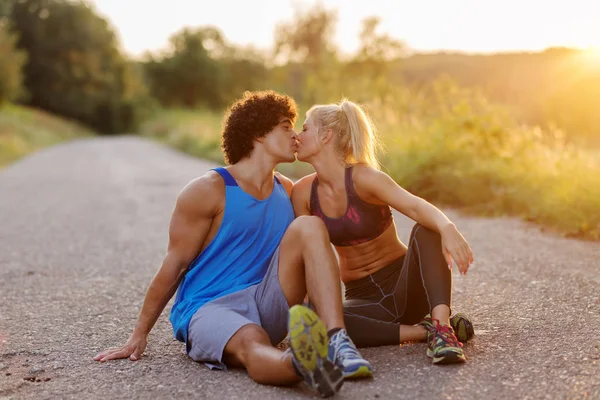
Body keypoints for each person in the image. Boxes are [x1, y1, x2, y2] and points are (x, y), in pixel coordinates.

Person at [93, 91, 373, 397]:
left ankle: (336, 340)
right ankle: (304, 366)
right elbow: (175, 265)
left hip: (268, 300)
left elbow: (309, 256)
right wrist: (139, 335)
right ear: (259, 134)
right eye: (285, 126)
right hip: (212, 305)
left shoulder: (287, 189)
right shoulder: (208, 190)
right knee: (251, 340)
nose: (295, 135)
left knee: (309, 226)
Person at [291, 98, 476, 365]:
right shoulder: (303, 193)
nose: (298, 136)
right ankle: (424, 331)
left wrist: (448, 227)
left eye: (305, 128)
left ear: (326, 135)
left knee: (428, 229)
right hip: (363, 299)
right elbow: (307, 258)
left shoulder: (365, 178)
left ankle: (442, 328)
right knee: (317, 317)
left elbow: (416, 206)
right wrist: (310, 307)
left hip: (405, 286)